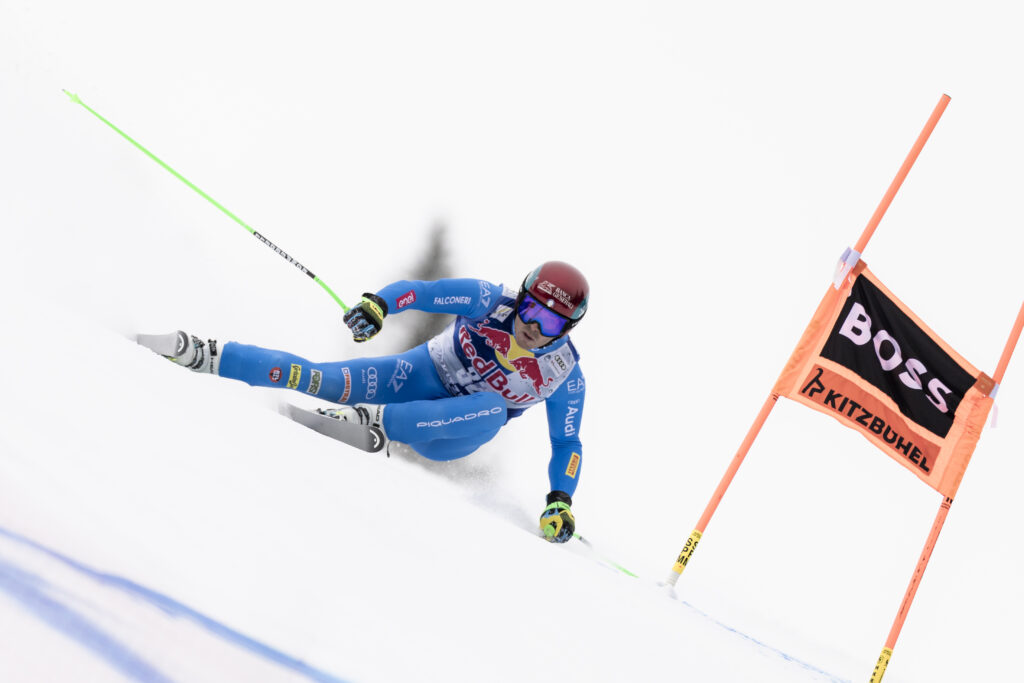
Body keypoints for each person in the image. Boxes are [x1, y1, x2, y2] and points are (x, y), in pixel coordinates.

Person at [138, 261, 589, 543]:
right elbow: (422, 292)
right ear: (521, 297)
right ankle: (204, 353)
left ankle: (373, 421)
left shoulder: (563, 374)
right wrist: (378, 306)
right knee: (318, 378)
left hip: (450, 432)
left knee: (492, 409)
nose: (533, 326)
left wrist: (560, 501)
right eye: (531, 309)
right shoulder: (491, 300)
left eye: (550, 322)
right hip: (417, 373)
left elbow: (567, 443)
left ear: (566, 330)